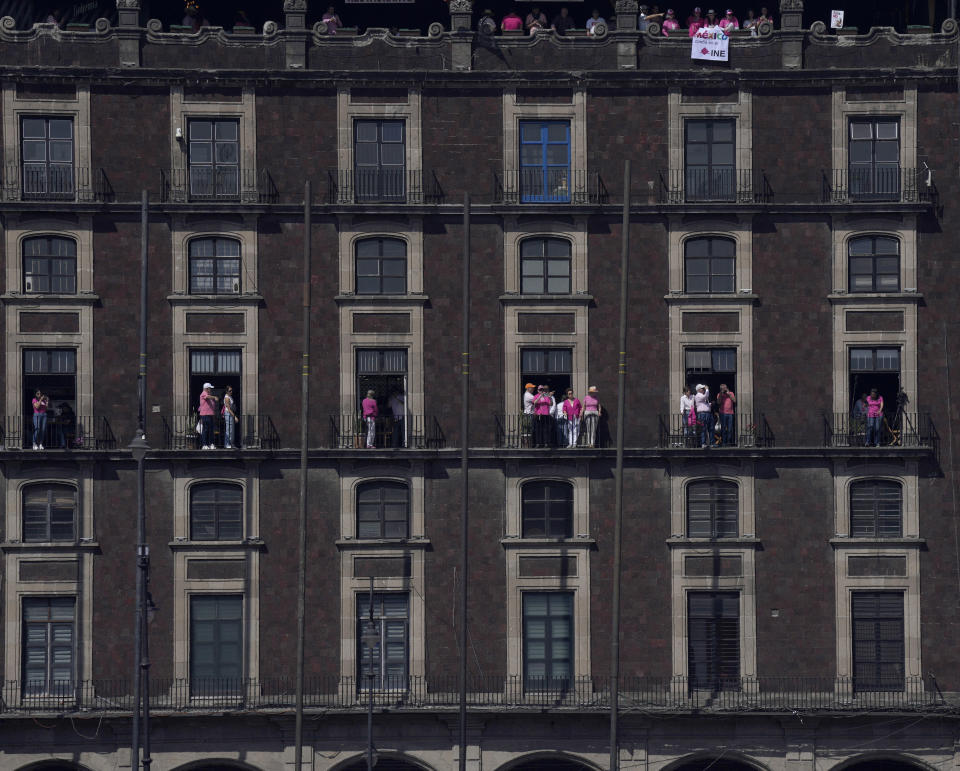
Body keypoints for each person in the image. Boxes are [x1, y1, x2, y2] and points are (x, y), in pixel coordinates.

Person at [198, 383, 218, 449]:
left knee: (211, 430)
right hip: (205, 415)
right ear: (207, 388)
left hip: (211, 415)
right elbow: (207, 397)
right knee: (205, 429)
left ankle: (211, 444)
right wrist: (214, 397)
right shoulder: (203, 393)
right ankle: (204, 444)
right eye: (210, 388)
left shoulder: (209, 394)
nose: (211, 389)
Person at [694, 383, 713, 448]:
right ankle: (703, 443)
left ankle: (711, 442)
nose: (703, 389)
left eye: (704, 388)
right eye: (702, 388)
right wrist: (707, 389)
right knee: (703, 429)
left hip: (707, 413)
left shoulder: (703, 395)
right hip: (702, 414)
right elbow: (705, 396)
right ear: (699, 390)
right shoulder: (698, 395)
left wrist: (709, 404)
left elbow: (704, 402)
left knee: (710, 428)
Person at [222, 385, 239, 449]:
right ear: (226, 391)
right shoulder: (227, 398)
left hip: (231, 414)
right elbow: (228, 409)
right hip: (228, 414)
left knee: (231, 430)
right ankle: (227, 444)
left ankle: (231, 443)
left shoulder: (230, 397)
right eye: (230, 391)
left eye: (232, 390)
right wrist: (235, 417)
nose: (231, 392)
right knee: (228, 430)